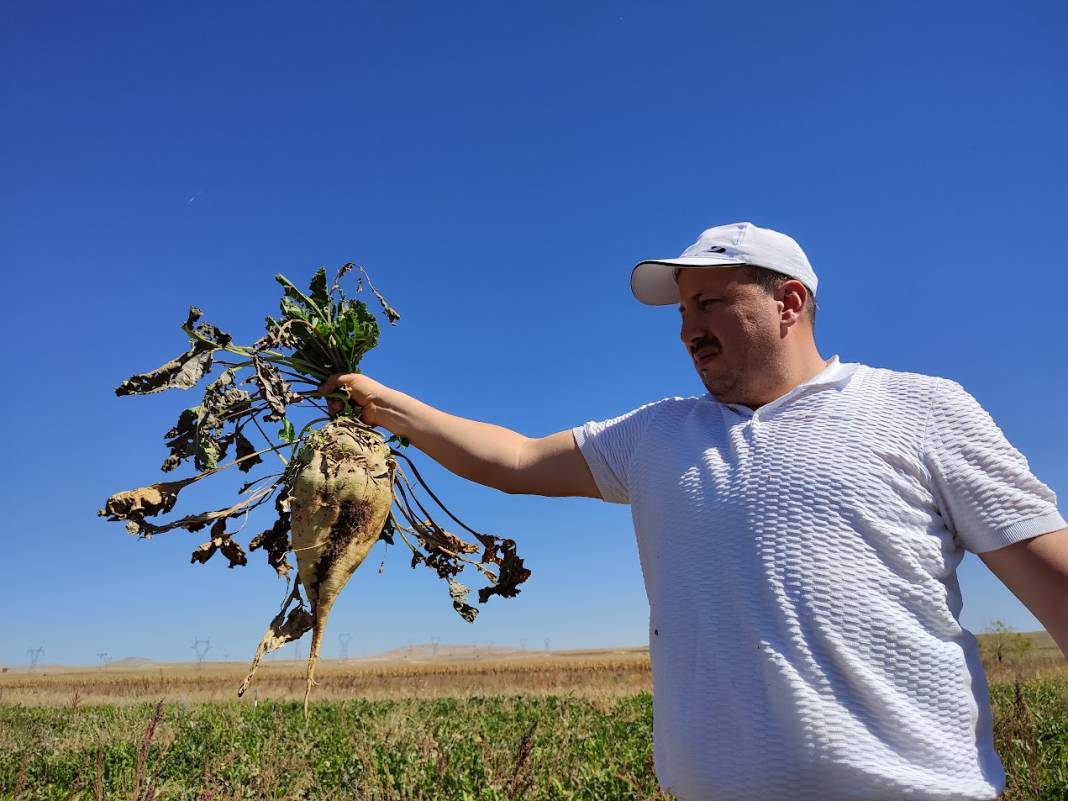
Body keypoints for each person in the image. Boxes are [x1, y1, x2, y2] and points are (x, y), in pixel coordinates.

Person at [319, 222, 1068, 801]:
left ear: (789, 303)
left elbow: (1056, 582)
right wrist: (389, 407)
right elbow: (513, 460)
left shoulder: (919, 408)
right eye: (681, 310)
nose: (686, 330)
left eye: (710, 302)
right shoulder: (658, 435)